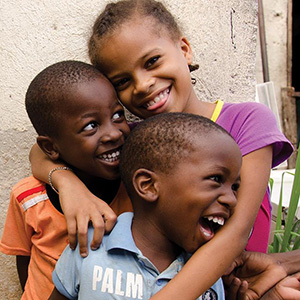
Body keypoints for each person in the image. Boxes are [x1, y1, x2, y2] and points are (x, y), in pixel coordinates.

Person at [29, 0, 294, 298]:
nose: (142, 85)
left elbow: (237, 234)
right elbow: (42, 151)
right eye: (123, 81)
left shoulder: (246, 120)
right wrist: (68, 185)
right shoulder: (139, 140)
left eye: (152, 61)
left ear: (183, 49)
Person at [49, 112, 242, 299]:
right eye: (216, 179)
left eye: (235, 187)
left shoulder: (210, 268)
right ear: (148, 186)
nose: (232, 199)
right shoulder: (93, 243)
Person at [0, 60, 132, 300]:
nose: (113, 133)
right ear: (51, 147)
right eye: (91, 126)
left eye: (117, 114)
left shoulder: (137, 188)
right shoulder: (28, 197)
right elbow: (25, 259)